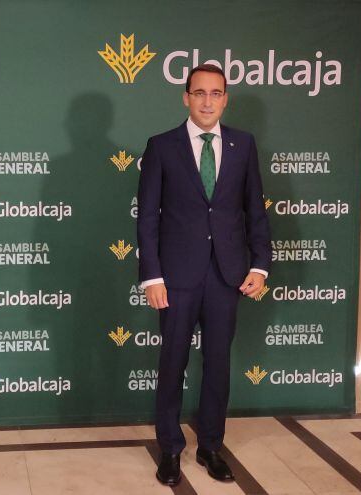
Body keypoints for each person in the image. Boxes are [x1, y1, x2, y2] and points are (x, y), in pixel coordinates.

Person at [136, 63, 271, 486]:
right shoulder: (161, 146)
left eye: (216, 93)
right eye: (199, 93)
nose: (207, 101)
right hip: (175, 277)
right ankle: (170, 449)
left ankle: (211, 446)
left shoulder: (243, 145)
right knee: (172, 361)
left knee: (217, 364)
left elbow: (254, 209)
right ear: (186, 98)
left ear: (225, 98)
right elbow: (147, 219)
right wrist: (151, 276)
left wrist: (260, 264)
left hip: (227, 274)